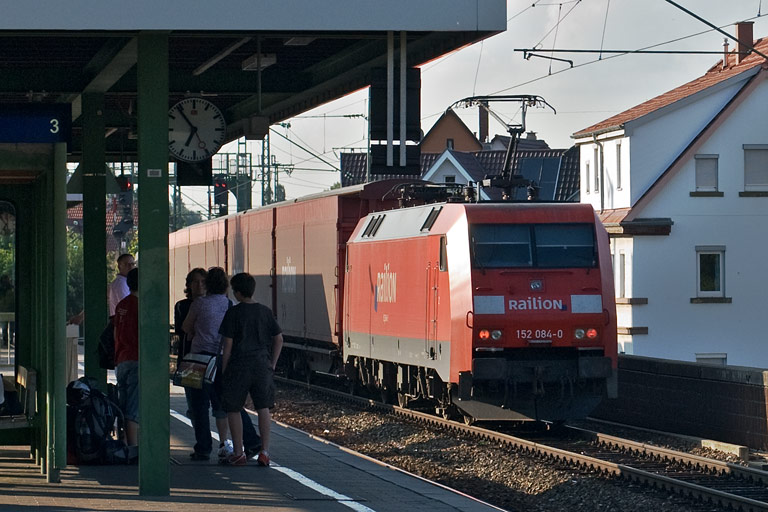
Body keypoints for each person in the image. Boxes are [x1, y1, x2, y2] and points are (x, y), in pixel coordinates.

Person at [220, 272, 283, 466]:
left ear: (237, 292)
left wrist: (224, 368)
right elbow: (279, 338)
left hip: (239, 366)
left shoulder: (234, 313)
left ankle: (239, 452)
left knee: (234, 408)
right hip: (262, 365)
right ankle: (264, 452)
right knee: (263, 407)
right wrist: (272, 363)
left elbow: (227, 344)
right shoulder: (264, 311)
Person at [182, 267, 232, 461]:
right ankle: (229, 442)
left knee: (199, 405)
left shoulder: (199, 304)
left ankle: (203, 448)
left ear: (208, 284)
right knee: (222, 403)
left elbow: (186, 327)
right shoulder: (229, 304)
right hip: (220, 359)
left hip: (198, 360)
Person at [113, 267, 139, 446]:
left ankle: (123, 441)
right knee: (134, 408)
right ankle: (133, 447)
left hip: (121, 359)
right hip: (137, 359)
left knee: (123, 404)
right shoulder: (143, 305)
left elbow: (116, 332)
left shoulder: (122, 305)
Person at [108, 253, 136, 318]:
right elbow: (128, 307)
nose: (131, 267)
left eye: (132, 264)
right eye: (127, 264)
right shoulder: (121, 284)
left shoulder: (124, 282)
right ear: (119, 266)